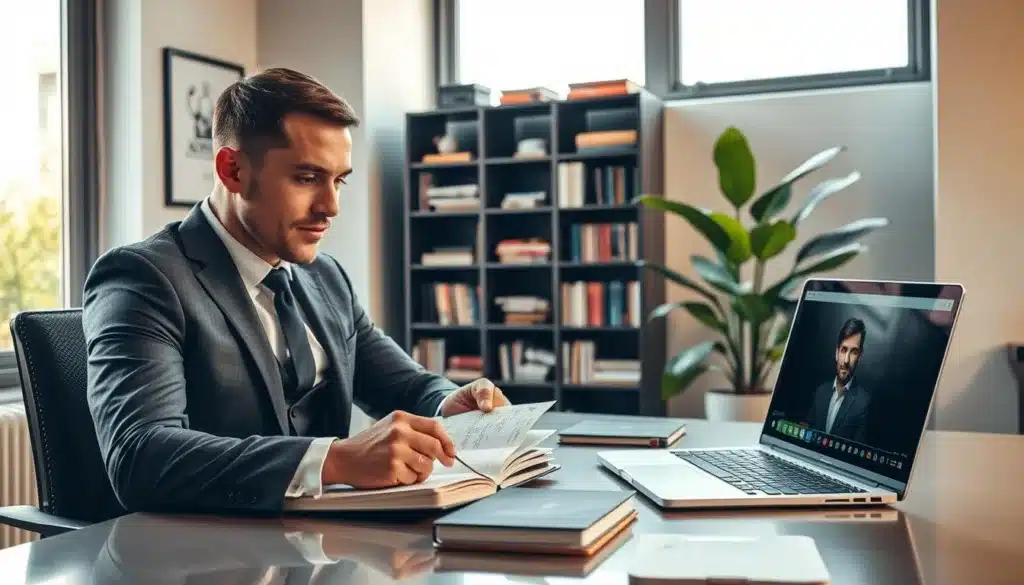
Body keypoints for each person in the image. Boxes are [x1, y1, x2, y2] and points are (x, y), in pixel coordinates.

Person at [83, 67, 510, 514]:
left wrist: (447, 404)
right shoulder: (142, 278)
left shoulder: (326, 278)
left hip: (326, 549)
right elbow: (141, 456)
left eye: (338, 180)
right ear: (232, 170)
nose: (331, 206)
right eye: (307, 178)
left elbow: (404, 385)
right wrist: (333, 461)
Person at [804, 317, 872, 444]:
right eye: (844, 350)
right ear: (837, 352)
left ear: (860, 357)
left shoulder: (864, 403)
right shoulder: (820, 392)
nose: (846, 360)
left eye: (854, 352)